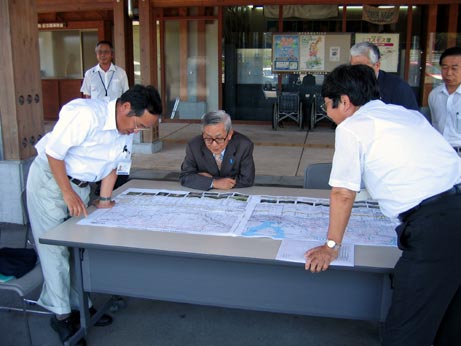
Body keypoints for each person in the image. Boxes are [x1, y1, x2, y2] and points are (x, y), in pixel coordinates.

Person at [304, 64, 461, 346]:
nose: (328, 113)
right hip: (454, 205)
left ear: (345, 102)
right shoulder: (406, 114)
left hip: (436, 229)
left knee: (406, 330)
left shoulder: (352, 127)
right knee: (448, 316)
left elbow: (342, 192)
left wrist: (330, 247)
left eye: (328, 105)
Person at [26, 85, 162, 343]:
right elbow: (53, 153)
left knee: (80, 246)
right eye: (139, 124)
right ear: (125, 108)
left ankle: (81, 304)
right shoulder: (86, 114)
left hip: (81, 186)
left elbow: (114, 166)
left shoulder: (126, 128)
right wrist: (66, 192)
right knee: (55, 250)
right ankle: (62, 316)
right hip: (51, 181)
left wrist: (105, 200)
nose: (137, 131)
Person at [80, 40, 131, 192]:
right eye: (99, 52)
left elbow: (126, 96)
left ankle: (121, 182)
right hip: (98, 119)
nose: (103, 55)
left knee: (120, 150)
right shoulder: (90, 74)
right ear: (96, 54)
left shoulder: (120, 73)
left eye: (106, 52)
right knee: (100, 151)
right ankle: (100, 185)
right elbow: (87, 97)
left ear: (112, 54)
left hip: (117, 119)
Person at [180, 110, 255, 190]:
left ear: (229, 134)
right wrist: (214, 183)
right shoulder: (194, 146)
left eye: (219, 138)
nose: (214, 144)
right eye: (208, 138)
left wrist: (213, 180)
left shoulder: (244, 145)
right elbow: (185, 177)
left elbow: (247, 179)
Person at [350, 41, 419, 110]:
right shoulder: (349, 84)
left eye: (361, 67)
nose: (356, 72)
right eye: (353, 67)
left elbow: (412, 117)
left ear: (377, 65)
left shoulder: (398, 87)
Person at [429, 46, 461, 153]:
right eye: (445, 67)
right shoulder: (434, 95)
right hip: (440, 153)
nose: (448, 73)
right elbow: (435, 125)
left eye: (454, 68)